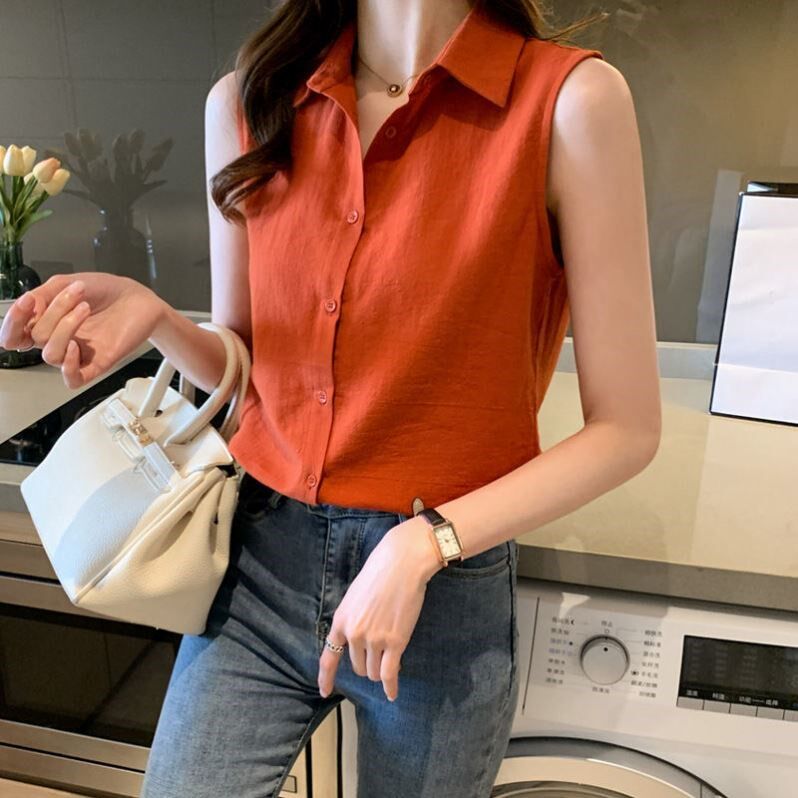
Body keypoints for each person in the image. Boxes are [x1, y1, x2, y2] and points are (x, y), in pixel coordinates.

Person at [0, 0, 661, 794]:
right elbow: (245, 365)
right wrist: (162, 322)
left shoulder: (570, 102)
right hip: (259, 565)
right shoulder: (249, 99)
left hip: (439, 592)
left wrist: (425, 544)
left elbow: (627, 430)